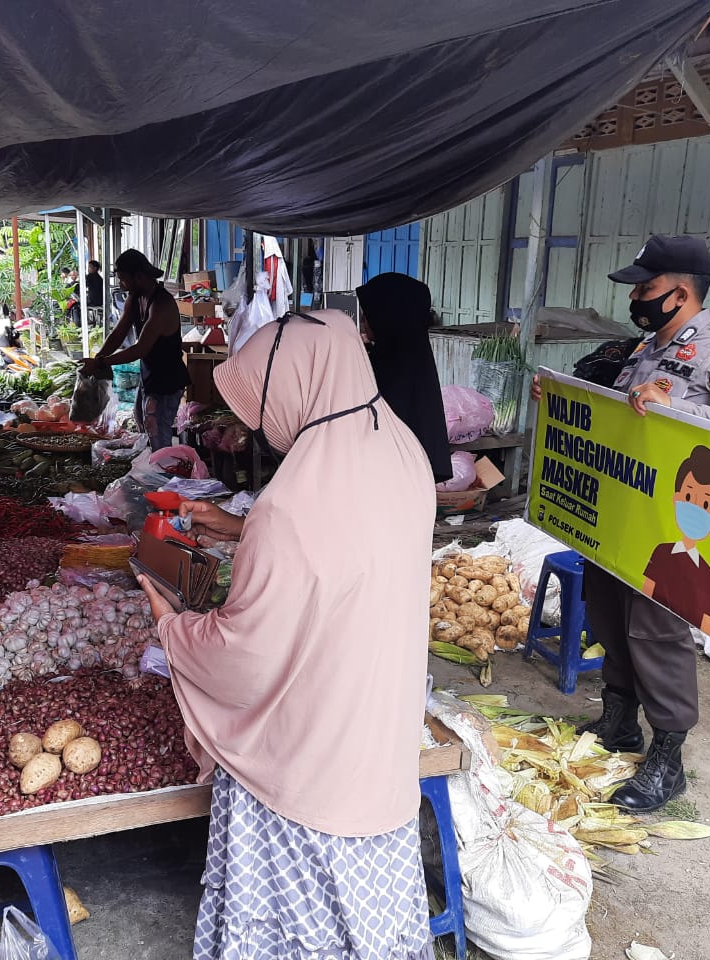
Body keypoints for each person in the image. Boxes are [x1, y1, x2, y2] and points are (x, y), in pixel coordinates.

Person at [136, 310, 434, 960]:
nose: (257, 428)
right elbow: (355, 549)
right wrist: (240, 531)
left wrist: (174, 630)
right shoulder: (402, 449)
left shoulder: (290, 505)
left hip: (309, 780)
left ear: (299, 389)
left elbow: (245, 659)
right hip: (380, 750)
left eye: (260, 409)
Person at [532, 234, 710, 812]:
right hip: (621, 521)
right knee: (611, 617)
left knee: (656, 634)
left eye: (646, 286)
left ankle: (668, 755)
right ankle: (619, 723)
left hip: (673, 529)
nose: (636, 296)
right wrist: (561, 397)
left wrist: (679, 410)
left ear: (682, 291)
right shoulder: (640, 349)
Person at [80, 249, 189, 450]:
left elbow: (140, 348)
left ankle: (163, 476)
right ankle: (152, 470)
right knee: (142, 421)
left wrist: (102, 363)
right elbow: (118, 334)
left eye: (123, 279)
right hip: (150, 375)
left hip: (168, 380)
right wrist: (98, 358)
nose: (121, 284)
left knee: (159, 434)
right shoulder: (135, 298)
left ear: (139, 277)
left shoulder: (162, 304)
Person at [355, 271, 454, 482]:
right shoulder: (408, 354)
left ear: (386, 317)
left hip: (395, 477)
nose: (363, 321)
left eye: (368, 314)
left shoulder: (391, 364)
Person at [642, 445, 710, 636]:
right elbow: (645, 592)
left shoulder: (709, 578)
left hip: (681, 640)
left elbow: (708, 629)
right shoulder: (661, 553)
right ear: (676, 498)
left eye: (705, 503)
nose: (695, 508)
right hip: (648, 630)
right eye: (689, 496)